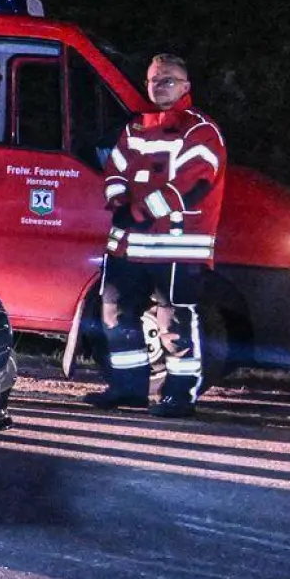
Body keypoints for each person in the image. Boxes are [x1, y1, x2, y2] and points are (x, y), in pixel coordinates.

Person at [84, 53, 226, 418]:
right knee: (115, 314)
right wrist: (117, 200)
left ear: (186, 87)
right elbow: (115, 168)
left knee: (173, 323)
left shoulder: (200, 130)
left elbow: (194, 183)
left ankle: (180, 397)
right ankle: (128, 390)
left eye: (168, 80)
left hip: (175, 248)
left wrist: (139, 212)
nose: (159, 87)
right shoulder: (135, 128)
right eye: (153, 80)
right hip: (129, 246)